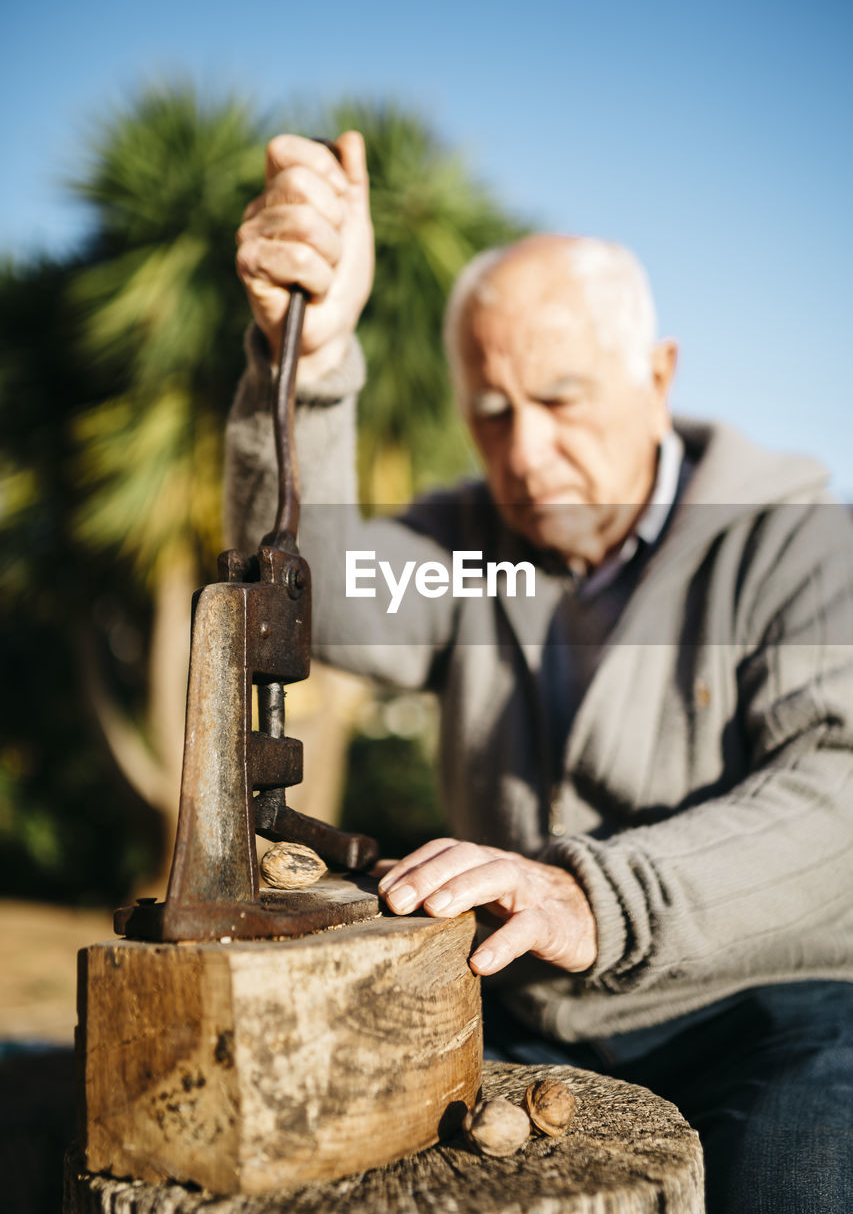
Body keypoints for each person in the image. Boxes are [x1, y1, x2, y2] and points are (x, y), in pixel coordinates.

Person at [227, 131, 853, 1211]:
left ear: (657, 375)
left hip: (774, 1007)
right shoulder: (472, 543)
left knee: (790, 1179)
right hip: (521, 1009)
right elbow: (296, 582)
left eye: (561, 400)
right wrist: (310, 362)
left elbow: (836, 794)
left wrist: (590, 896)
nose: (522, 455)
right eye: (492, 412)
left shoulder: (793, 538)